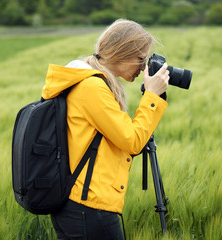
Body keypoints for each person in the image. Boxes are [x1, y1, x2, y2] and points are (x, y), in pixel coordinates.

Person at [41, 19, 169, 240]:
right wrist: (152, 97)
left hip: (78, 204)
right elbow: (133, 141)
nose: (143, 67)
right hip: (89, 207)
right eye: (140, 60)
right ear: (121, 53)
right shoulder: (92, 87)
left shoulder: (91, 82)